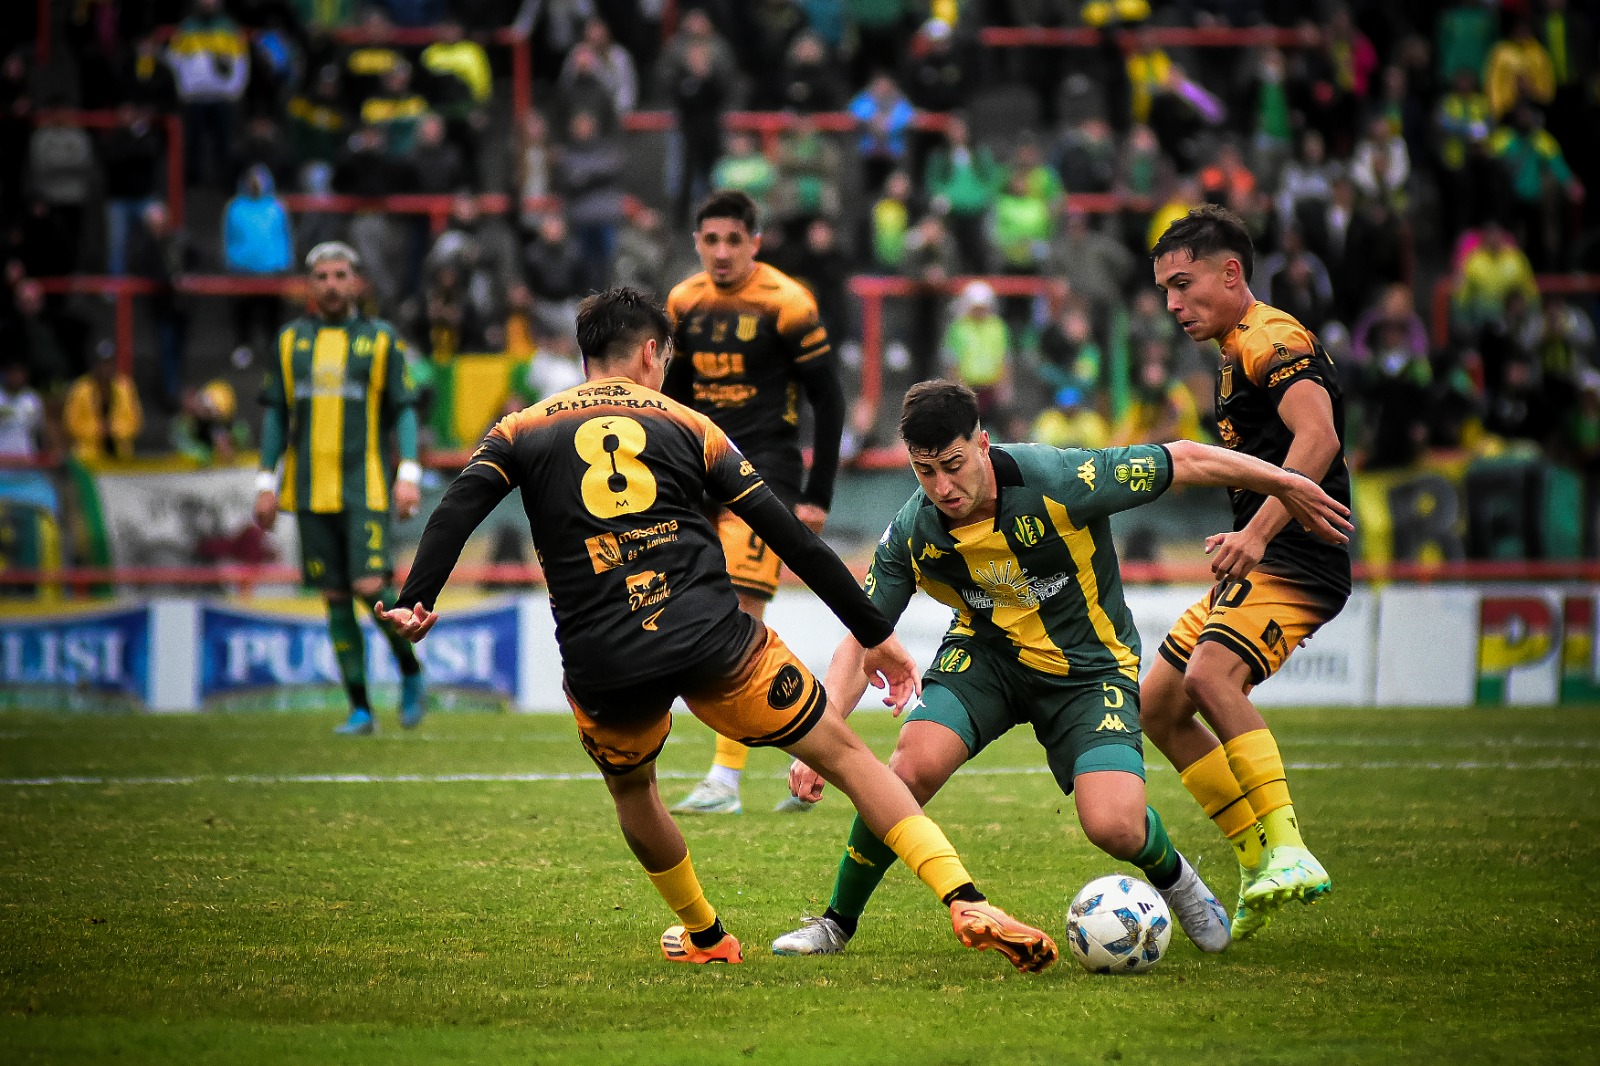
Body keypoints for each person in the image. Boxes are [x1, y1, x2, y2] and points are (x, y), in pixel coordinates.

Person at [377, 288, 1059, 973]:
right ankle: (961, 895)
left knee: (634, 789)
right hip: (713, 638)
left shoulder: (520, 427)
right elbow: (789, 535)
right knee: (849, 757)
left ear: (588, 354)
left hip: (603, 654)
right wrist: (873, 631)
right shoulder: (692, 425)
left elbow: (458, 506)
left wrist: (418, 596)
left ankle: (704, 934)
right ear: (651, 352)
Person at [768, 379, 1352, 959]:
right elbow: (861, 636)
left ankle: (1178, 881)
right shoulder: (914, 531)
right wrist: (820, 738)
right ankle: (835, 923)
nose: (943, 487)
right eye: (926, 472)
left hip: (1090, 670)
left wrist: (1285, 482)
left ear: (983, 443)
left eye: (952, 464)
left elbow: (1186, 457)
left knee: (1115, 826)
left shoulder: (1058, 479)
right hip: (986, 661)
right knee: (907, 769)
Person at [1144, 204, 1353, 940]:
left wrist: (1258, 534)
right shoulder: (1236, 351)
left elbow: (1318, 437)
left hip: (1300, 557)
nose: (1172, 303)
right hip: (1265, 552)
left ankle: (1290, 848)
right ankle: (1258, 856)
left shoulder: (1272, 337)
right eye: (1165, 289)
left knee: (1209, 678)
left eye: (1183, 282)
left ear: (1231, 273)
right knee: (1160, 707)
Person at [662, 190, 846, 816]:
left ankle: (725, 780)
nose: (720, 253)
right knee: (709, 610)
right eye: (709, 241)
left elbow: (830, 400)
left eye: (732, 241)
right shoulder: (683, 302)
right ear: (696, 242)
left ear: (754, 242)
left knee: (742, 608)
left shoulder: (786, 302)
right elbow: (675, 397)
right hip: (697, 470)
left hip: (764, 471)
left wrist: (817, 494)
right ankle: (813, 743)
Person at [252, 242, 427, 736]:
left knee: (370, 588)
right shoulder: (290, 342)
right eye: (322, 276)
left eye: (340, 275)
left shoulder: (381, 340)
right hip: (309, 492)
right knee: (333, 596)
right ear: (310, 284)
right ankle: (360, 709)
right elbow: (276, 416)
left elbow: (405, 407)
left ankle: (412, 674)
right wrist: (266, 482)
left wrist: (408, 473)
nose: (331, 284)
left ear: (357, 283)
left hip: (364, 488)